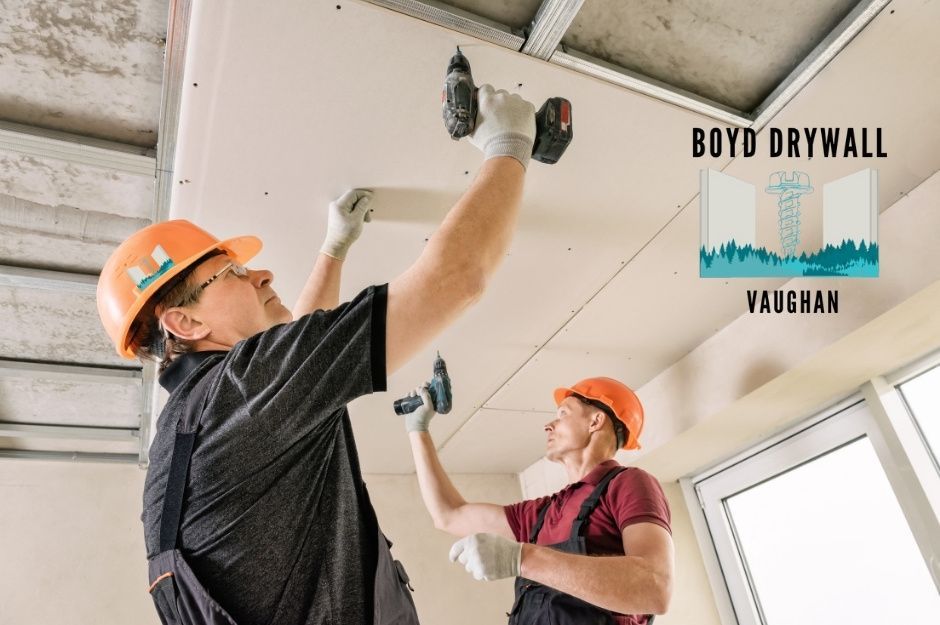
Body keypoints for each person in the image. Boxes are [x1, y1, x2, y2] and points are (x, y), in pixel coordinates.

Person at [94, 84, 537, 625]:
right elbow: (455, 280)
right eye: (231, 272)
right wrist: (510, 144)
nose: (261, 273)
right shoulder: (245, 390)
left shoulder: (188, 431)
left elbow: (296, 360)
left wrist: (335, 248)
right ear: (185, 322)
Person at [404, 376, 674, 625]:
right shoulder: (542, 513)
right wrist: (418, 430)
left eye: (563, 414)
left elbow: (655, 586)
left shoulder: (627, 483)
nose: (549, 425)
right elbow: (449, 514)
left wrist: (523, 558)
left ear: (595, 422)